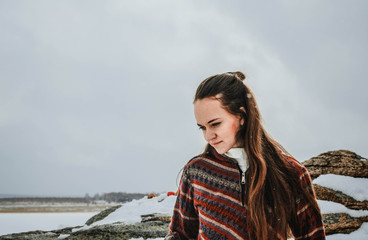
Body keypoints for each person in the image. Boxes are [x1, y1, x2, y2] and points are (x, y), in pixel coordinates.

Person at [165, 72, 325, 240]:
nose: (208, 135)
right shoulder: (197, 172)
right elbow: (180, 234)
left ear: (241, 116)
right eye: (202, 127)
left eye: (215, 124)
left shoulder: (290, 172)